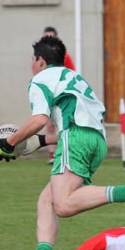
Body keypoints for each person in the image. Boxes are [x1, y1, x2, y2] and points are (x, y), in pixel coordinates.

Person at [0, 36, 125, 250]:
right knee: (46, 201)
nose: (31, 64)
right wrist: (40, 141)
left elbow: (39, 120)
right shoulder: (74, 77)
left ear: (40, 61)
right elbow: (78, 126)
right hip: (97, 142)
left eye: (32, 59)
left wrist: (10, 142)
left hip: (76, 140)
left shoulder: (39, 80)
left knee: (64, 205)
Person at [42, 26, 76, 165]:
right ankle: (52, 154)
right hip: (48, 94)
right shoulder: (40, 57)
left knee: (63, 124)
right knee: (49, 125)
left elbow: (72, 72)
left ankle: (64, 152)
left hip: (61, 94)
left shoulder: (64, 55)